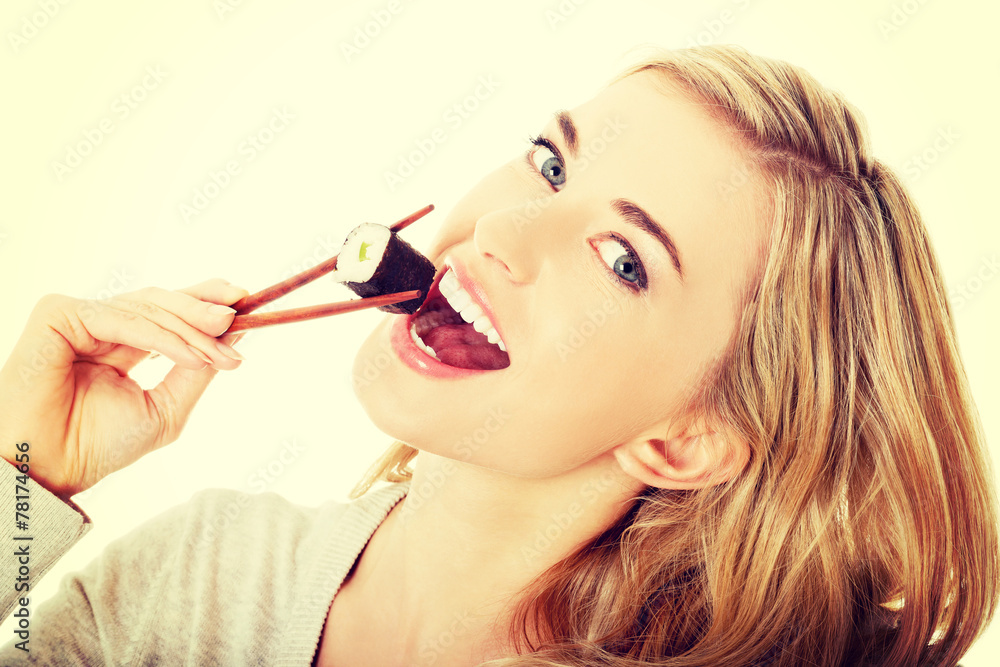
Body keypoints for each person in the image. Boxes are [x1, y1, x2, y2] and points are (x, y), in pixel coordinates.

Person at [1, 44, 996, 666]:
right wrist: (22, 471)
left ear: (686, 438)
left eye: (623, 258)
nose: (505, 230)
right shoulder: (207, 574)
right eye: (552, 164)